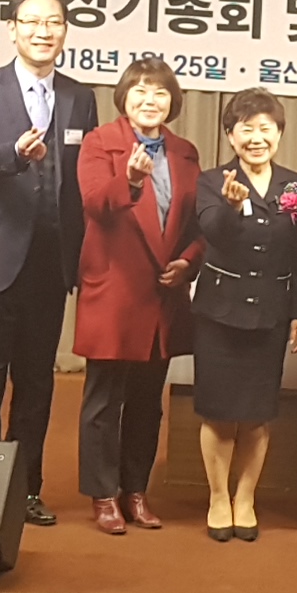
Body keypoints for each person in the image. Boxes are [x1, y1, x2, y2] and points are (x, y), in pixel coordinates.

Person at [0, 0, 95, 527]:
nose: (42, 31)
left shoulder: (80, 97)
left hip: (49, 265)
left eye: (53, 22)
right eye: (31, 21)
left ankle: (24, 490)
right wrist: (13, 154)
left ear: (65, 32)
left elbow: (83, 177)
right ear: (12, 29)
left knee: (36, 387)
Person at [73, 56, 204, 536]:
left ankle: (135, 491)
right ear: (124, 98)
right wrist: (129, 179)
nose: (151, 101)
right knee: (104, 400)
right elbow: (94, 204)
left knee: (148, 402)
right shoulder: (100, 142)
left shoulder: (184, 152)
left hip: (163, 293)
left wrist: (188, 261)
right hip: (115, 290)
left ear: (173, 102)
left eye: (160, 93)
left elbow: (198, 221)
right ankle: (103, 494)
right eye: (141, 92)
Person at [191, 88, 297, 542]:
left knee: (258, 415)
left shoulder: (294, 186)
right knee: (218, 413)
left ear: (279, 134)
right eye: (246, 129)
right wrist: (229, 205)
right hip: (219, 315)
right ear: (230, 135)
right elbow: (212, 233)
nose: (257, 138)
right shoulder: (212, 181)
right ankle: (217, 497)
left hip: (271, 315)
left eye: (266, 128)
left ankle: (245, 498)